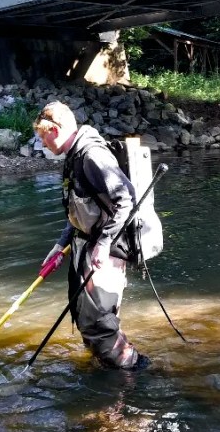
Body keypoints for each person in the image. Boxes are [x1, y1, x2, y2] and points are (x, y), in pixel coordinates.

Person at [34, 101, 148, 371]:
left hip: (107, 250)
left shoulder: (91, 156)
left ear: (57, 128)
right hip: (87, 245)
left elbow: (126, 199)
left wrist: (104, 244)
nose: (41, 142)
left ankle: (136, 374)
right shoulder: (74, 157)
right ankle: (105, 373)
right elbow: (80, 209)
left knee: (98, 323)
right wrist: (60, 245)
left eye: (42, 135)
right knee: (86, 318)